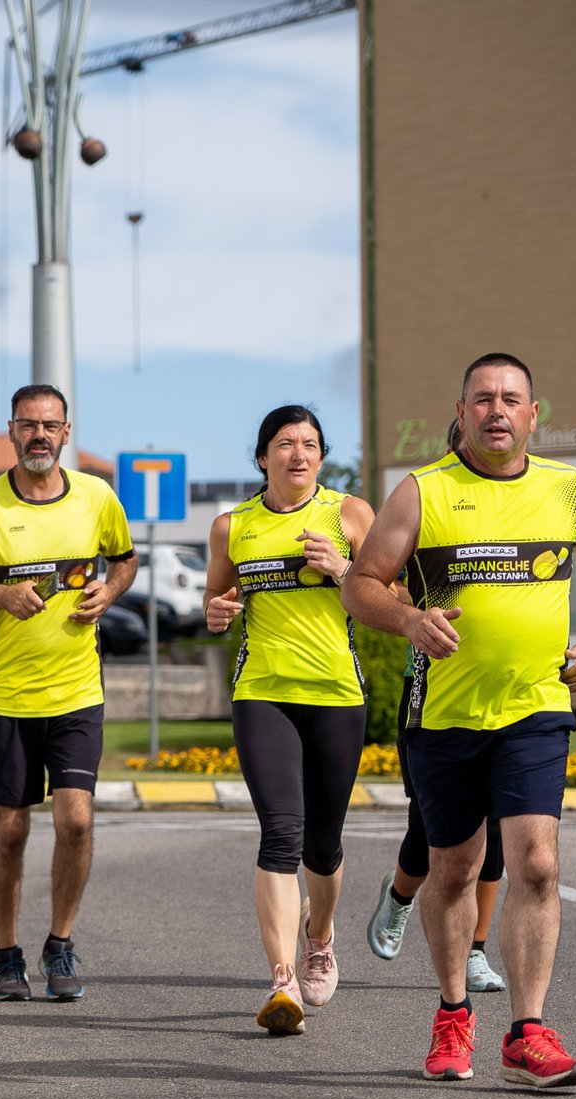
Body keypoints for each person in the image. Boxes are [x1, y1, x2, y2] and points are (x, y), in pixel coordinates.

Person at [342, 352, 576, 1089]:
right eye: (483, 399)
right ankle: (453, 1013)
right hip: (445, 716)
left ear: (534, 414)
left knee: (536, 863)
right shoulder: (423, 493)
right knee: (457, 867)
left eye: (511, 399)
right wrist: (409, 619)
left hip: (536, 707)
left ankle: (527, 1033)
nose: (497, 410)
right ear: (462, 412)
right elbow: (360, 586)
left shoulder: (568, 489)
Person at [0, 384, 137, 1001]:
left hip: (77, 692)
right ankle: (6, 952)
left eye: (50, 425)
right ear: (10, 431)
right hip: (9, 698)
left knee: (75, 820)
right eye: (28, 425)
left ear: (66, 432)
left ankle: (61, 944)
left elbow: (124, 560)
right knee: (11, 829)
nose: (39, 435)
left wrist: (111, 591)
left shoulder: (98, 497)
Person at [204, 406, 374, 1036]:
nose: (297, 454)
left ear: (321, 458)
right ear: (262, 458)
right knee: (280, 833)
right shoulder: (233, 526)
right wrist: (218, 613)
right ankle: (282, 981)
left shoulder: (350, 515)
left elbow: (396, 599)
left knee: (322, 846)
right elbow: (215, 599)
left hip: (336, 694)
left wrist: (344, 570)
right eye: (284, 444)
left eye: (309, 445)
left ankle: (320, 935)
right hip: (262, 693)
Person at [369, 422, 506, 995]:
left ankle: (475, 949)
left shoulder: (511, 509)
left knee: (497, 829)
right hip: (432, 692)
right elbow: (381, 584)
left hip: (506, 699)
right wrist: (414, 616)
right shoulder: (427, 508)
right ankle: (400, 898)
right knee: (430, 830)